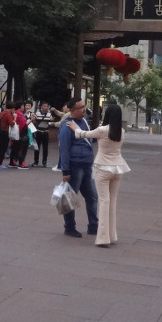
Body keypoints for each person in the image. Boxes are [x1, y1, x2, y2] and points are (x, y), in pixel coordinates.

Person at [67, 103, 129, 247]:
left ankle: (103, 238)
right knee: (112, 202)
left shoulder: (102, 130)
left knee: (103, 201)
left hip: (102, 167)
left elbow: (83, 134)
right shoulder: (121, 131)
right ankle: (111, 235)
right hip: (118, 167)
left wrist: (75, 128)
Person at [58, 98, 99, 238]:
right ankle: (69, 227)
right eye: (81, 107)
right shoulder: (67, 125)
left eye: (84, 106)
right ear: (72, 110)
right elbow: (64, 149)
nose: (84, 109)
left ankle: (93, 225)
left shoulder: (85, 122)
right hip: (75, 166)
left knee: (92, 196)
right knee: (70, 197)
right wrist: (65, 171)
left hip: (87, 165)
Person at [0, 102, 16, 169]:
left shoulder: (2, 112)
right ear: (12, 108)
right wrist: (14, 118)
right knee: (3, 148)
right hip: (4, 132)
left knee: (0, 147)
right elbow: (12, 124)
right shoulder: (8, 114)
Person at [32, 101, 54, 168]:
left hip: (45, 133)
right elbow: (34, 121)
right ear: (41, 107)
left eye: (47, 106)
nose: (45, 107)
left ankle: (44, 161)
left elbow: (51, 122)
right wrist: (33, 118)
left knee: (45, 148)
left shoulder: (49, 115)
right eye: (44, 106)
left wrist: (52, 120)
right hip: (38, 132)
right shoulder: (37, 114)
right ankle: (36, 161)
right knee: (37, 148)